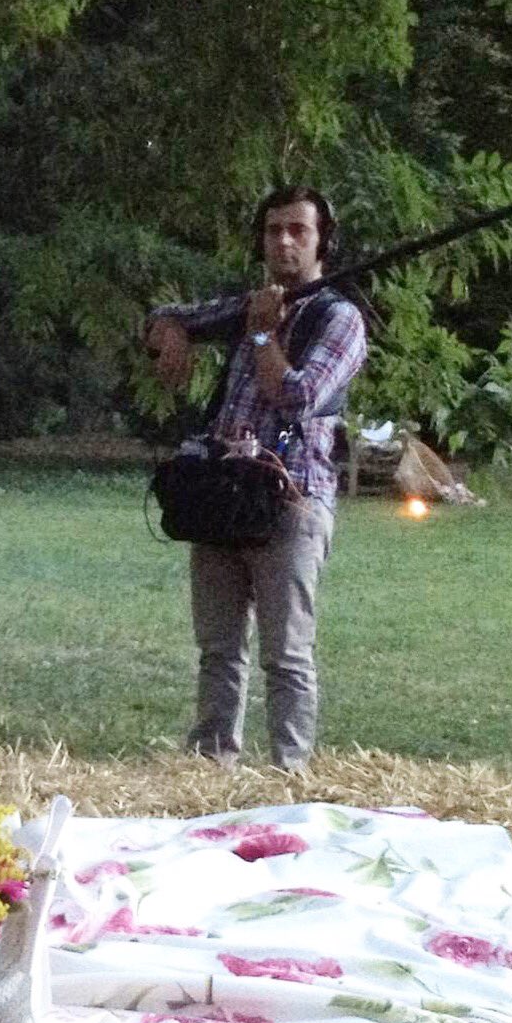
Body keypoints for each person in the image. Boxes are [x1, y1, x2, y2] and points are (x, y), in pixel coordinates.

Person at [144, 186, 366, 771]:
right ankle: (210, 763)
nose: (284, 242)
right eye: (274, 231)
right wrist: (170, 333)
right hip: (222, 494)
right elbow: (166, 316)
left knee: (286, 654)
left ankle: (288, 772)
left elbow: (296, 397)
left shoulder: (339, 318)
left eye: (299, 230)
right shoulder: (250, 305)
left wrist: (265, 334)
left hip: (292, 500)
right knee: (217, 648)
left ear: (323, 241)